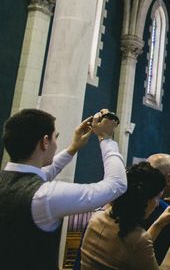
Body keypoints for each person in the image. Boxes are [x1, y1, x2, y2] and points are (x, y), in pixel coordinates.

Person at [0, 108, 127, 269]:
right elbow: (117, 184)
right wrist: (106, 138)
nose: (55, 143)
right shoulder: (45, 196)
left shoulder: (8, 180)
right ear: (45, 142)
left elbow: (44, 173)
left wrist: (73, 148)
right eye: (55, 138)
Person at [80, 162, 170, 269]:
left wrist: (160, 223)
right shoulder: (137, 238)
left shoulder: (97, 218)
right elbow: (139, 244)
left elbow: (134, 246)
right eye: (157, 198)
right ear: (145, 200)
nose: (157, 204)